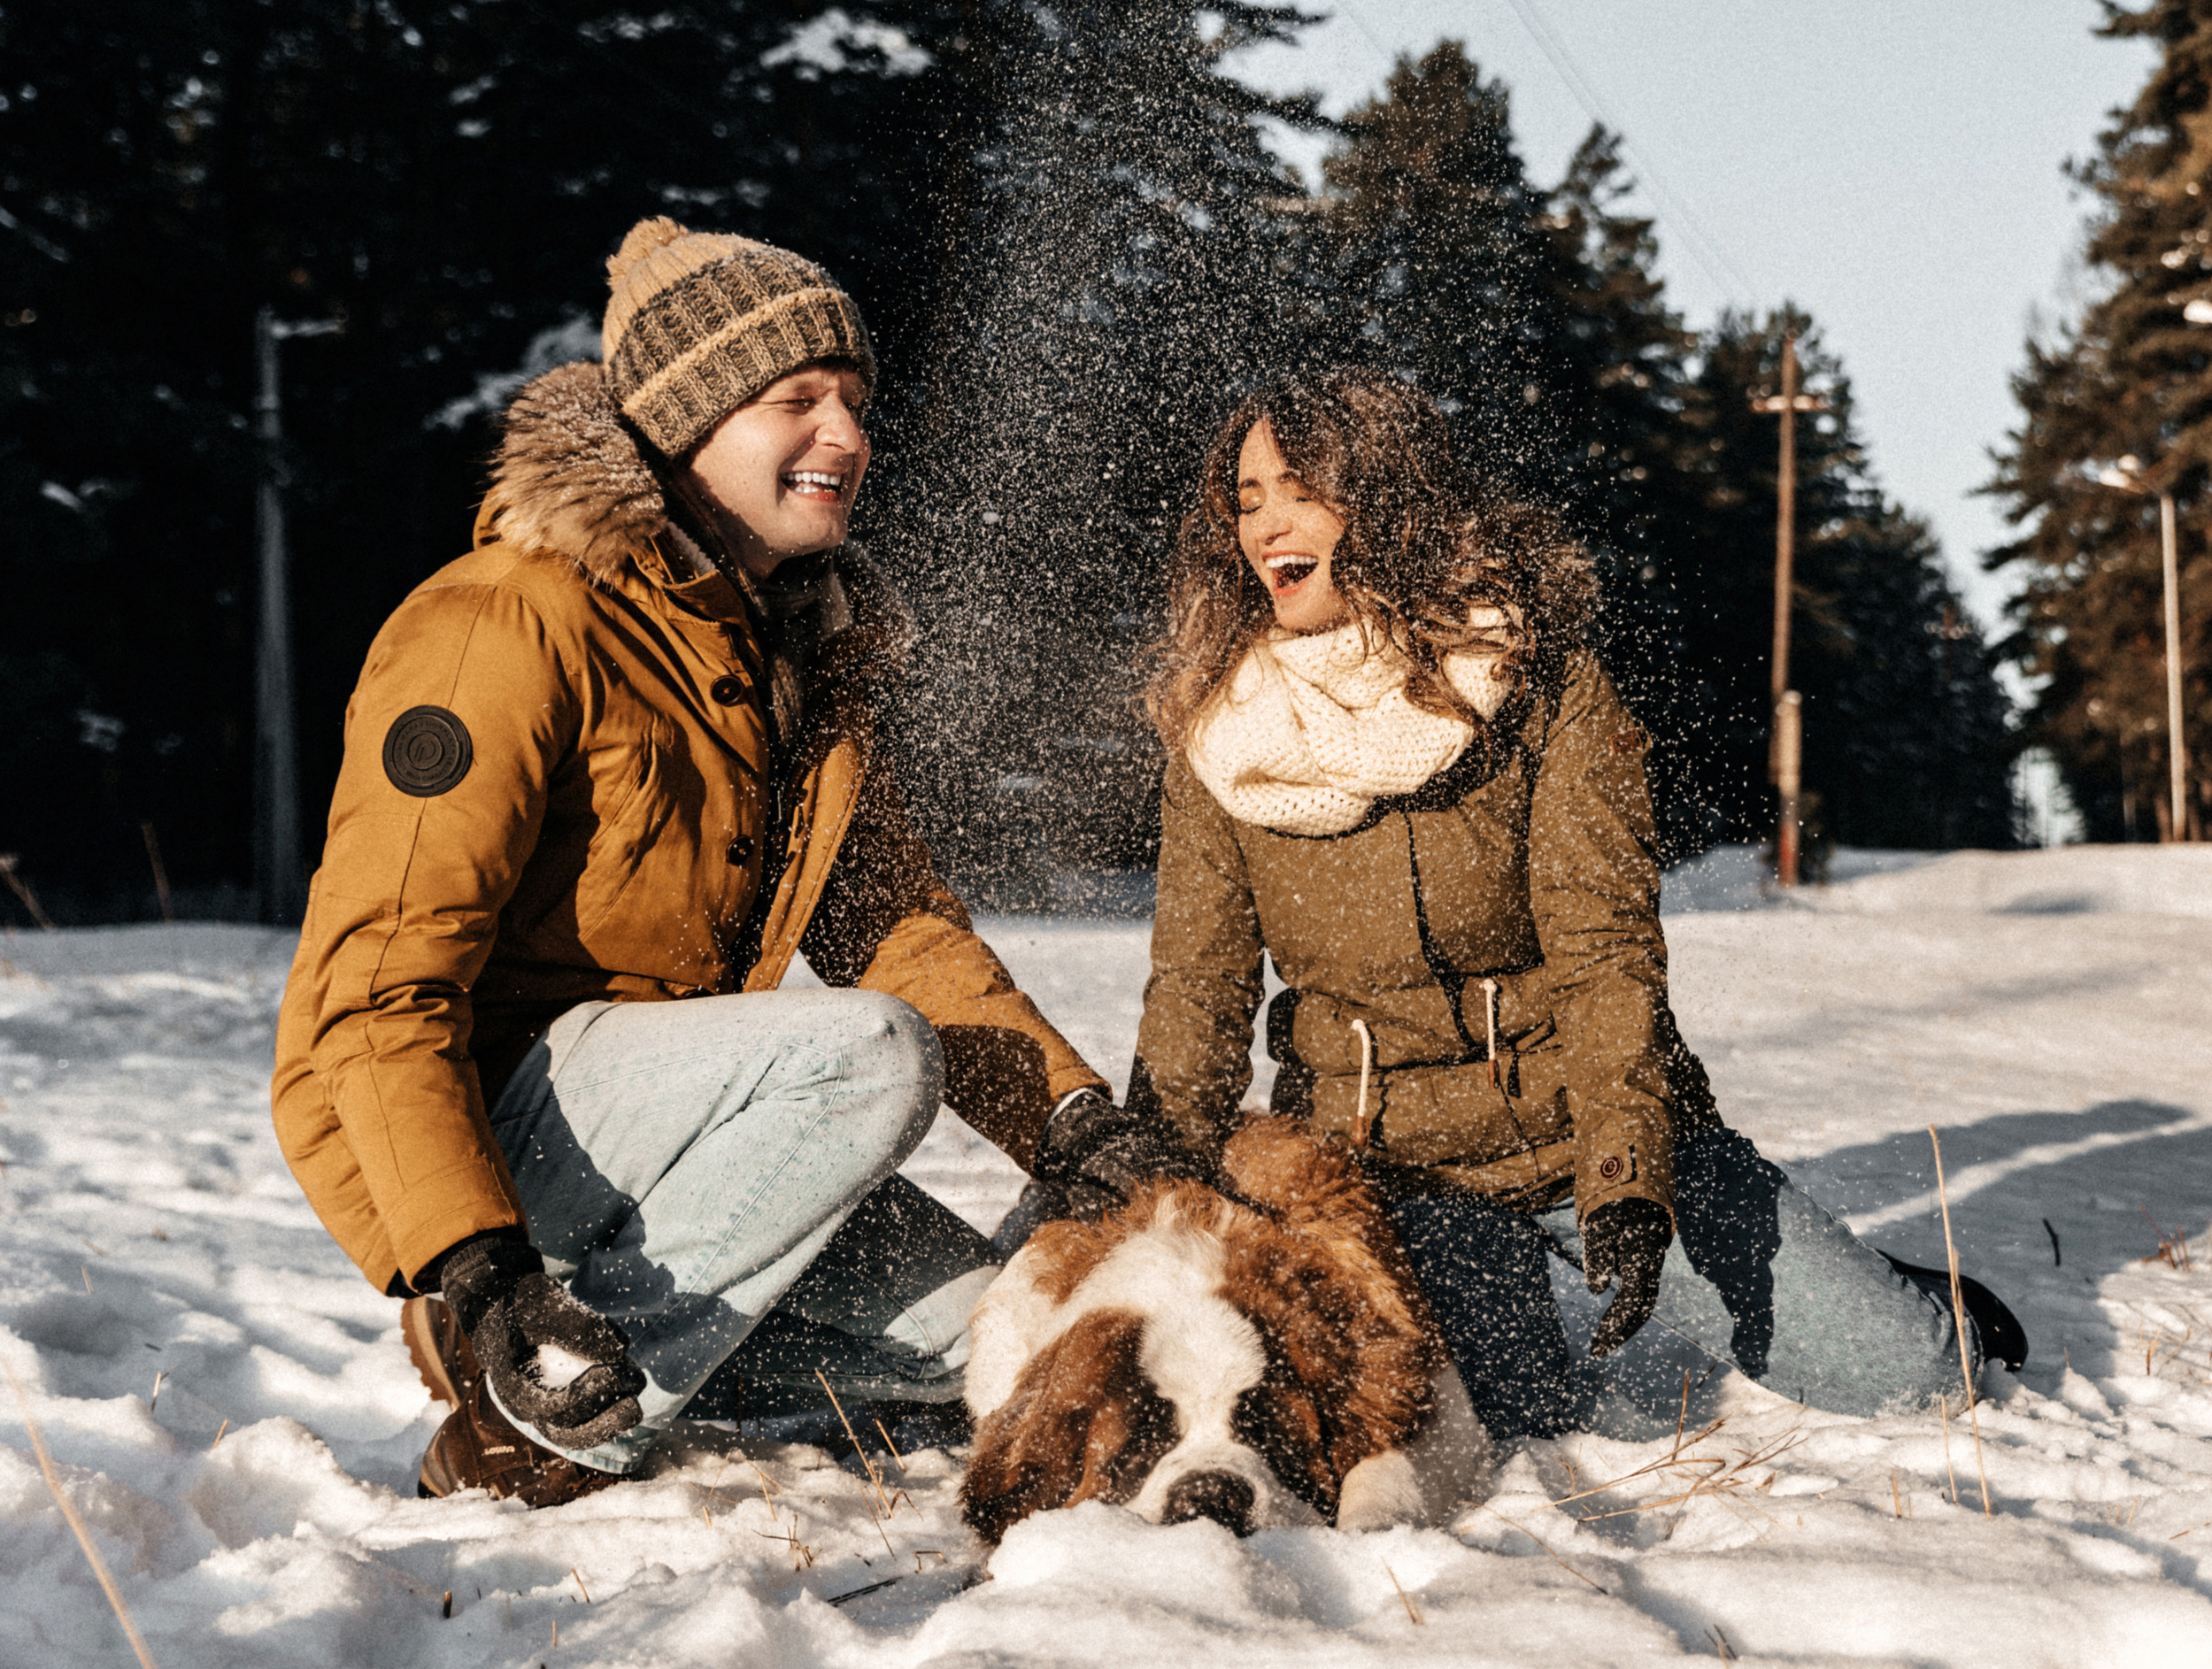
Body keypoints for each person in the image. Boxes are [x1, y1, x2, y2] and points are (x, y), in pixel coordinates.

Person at [271, 217, 1191, 1506]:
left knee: (992, 1340)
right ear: (680, 425)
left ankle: (616, 1357)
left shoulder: (791, 661)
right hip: (493, 1142)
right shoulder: (504, 620)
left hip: (679, 1158)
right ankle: (537, 1418)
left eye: (859, 402)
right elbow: (372, 996)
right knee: (865, 1053)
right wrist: (475, 1264)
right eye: (796, 399)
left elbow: (897, 929)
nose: (849, 437)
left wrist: (1070, 1118)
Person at [1127, 369, 2022, 1442]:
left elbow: (1604, 954)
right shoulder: (1223, 732)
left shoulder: (1538, 683)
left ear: (1387, 495)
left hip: (1586, 1124)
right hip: (1386, 1168)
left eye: (1299, 487)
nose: (1266, 521)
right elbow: (1198, 987)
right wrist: (1149, 1185)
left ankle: (1878, 1285)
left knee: (1912, 1374)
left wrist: (1627, 1180)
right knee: (1511, 1409)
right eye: (1246, 496)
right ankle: (1509, 1293)